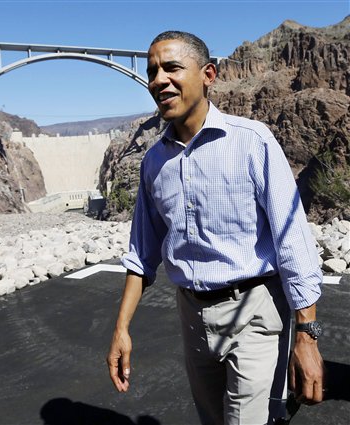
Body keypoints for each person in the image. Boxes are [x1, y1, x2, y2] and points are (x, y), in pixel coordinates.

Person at [106, 31, 325, 425]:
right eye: (152, 71)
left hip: (254, 312)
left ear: (208, 74)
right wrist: (121, 329)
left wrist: (307, 336)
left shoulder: (252, 142)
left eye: (172, 67)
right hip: (192, 316)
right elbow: (142, 254)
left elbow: (293, 241)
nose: (158, 80)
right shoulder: (154, 163)